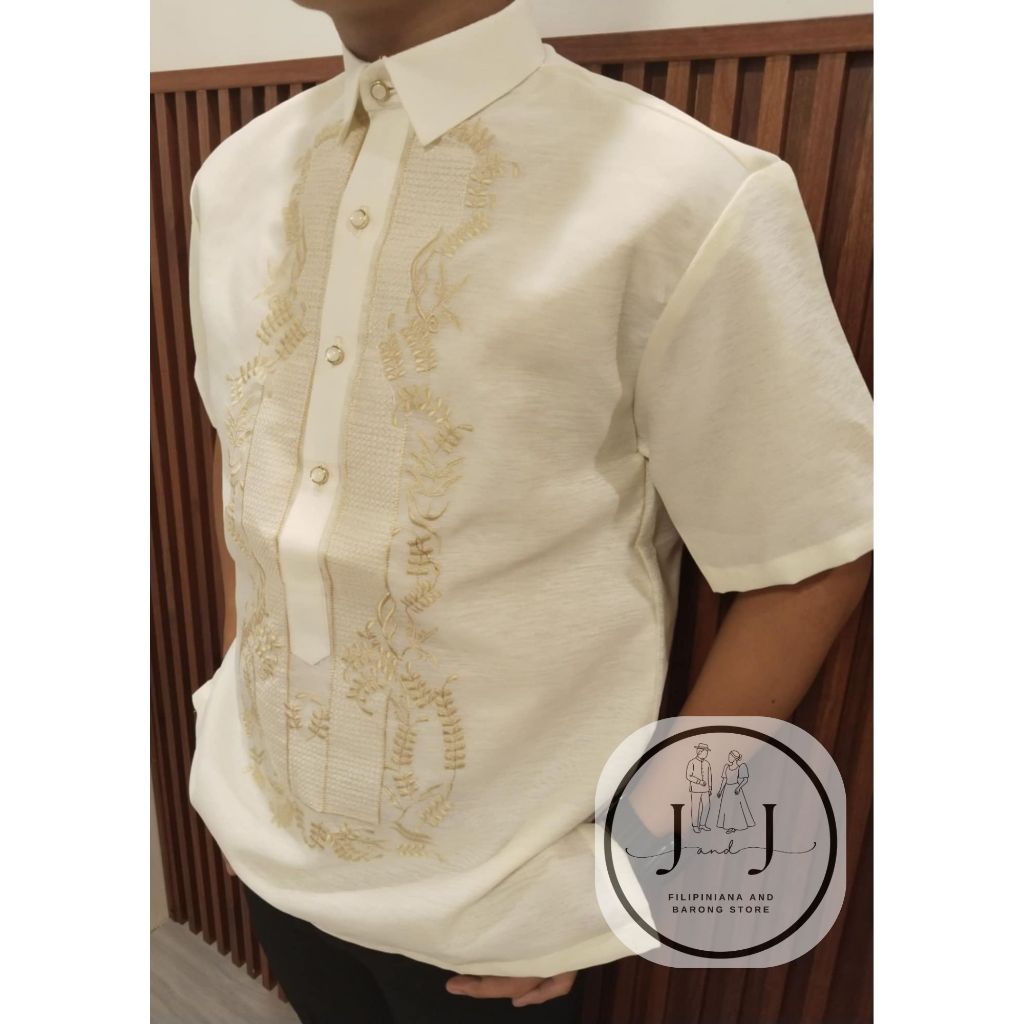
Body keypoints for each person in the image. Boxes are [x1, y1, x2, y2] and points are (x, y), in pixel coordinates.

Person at [186, 0, 874, 1020]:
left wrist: (635, 867)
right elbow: (245, 457)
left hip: (504, 919)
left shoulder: (686, 195)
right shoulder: (233, 176)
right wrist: (231, 706)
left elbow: (812, 546)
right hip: (263, 846)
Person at [716, 750, 756, 834]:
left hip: (735, 789)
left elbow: (745, 779)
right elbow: (724, 780)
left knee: (736, 808)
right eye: (729, 756)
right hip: (727, 789)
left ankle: (734, 827)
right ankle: (728, 825)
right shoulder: (726, 767)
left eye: (730, 756)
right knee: (726, 808)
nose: (729, 757)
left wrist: (738, 787)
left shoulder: (740, 767)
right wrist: (720, 790)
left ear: (735, 758)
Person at [685, 743, 714, 833]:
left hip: (706, 790)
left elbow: (709, 776)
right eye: (705, 752)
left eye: (707, 752)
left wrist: (710, 788)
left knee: (706, 807)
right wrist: (699, 781)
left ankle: (702, 824)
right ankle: (695, 826)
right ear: (700, 751)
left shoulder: (707, 763)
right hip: (695, 789)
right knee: (695, 808)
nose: (706, 754)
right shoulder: (692, 762)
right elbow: (688, 776)